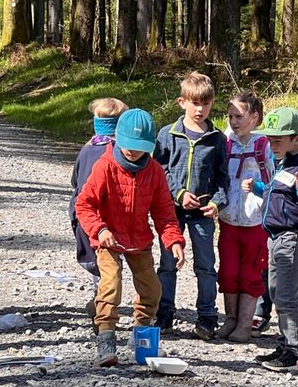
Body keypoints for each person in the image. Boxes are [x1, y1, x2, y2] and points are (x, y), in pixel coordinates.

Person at [75, 109, 186, 367]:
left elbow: (164, 213)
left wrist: (174, 241)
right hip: (108, 239)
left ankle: (140, 336)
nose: (133, 152)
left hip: (139, 240)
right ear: (118, 138)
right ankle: (106, 339)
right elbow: (84, 204)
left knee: (152, 290)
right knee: (111, 285)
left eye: (139, 147)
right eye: (128, 145)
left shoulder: (154, 171)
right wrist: (100, 230)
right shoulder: (105, 166)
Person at [153, 72, 229, 339]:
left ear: (212, 103)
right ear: (182, 102)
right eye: (195, 103)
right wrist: (179, 193)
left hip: (203, 213)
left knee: (206, 266)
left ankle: (207, 316)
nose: (200, 109)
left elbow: (222, 178)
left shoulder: (217, 139)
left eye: (206, 104)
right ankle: (164, 312)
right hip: (171, 211)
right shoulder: (167, 135)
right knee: (167, 263)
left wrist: (217, 204)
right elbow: (159, 170)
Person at [248, 107, 298, 373]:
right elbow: (275, 194)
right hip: (276, 237)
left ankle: (294, 351)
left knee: (287, 297)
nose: (272, 144)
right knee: (276, 292)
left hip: (292, 238)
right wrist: (256, 188)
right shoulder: (283, 165)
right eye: (270, 139)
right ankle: (284, 344)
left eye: (278, 139)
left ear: (297, 139)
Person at [216, 90, 273, 343]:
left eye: (238, 116)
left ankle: (244, 323)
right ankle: (230, 319)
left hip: (254, 221)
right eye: (230, 116)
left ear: (254, 117)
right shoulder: (226, 142)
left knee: (251, 273)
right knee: (228, 270)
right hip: (228, 219)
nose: (233, 121)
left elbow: (275, 182)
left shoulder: (265, 146)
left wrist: (258, 189)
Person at [70, 97, 129, 324]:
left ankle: (100, 301)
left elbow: (75, 182)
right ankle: (102, 308)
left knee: (99, 263)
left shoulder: (86, 151)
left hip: (84, 217)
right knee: (109, 263)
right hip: (107, 219)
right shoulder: (119, 153)